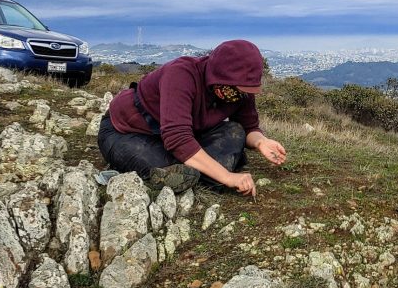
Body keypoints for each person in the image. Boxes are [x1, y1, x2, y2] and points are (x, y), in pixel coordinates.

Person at [98, 39, 286, 195]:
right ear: (220, 77)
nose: (240, 95)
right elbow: (178, 138)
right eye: (236, 89)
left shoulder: (241, 89)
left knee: (234, 132)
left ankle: (196, 171)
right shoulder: (181, 74)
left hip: (186, 134)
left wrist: (261, 141)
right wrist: (227, 177)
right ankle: (207, 173)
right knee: (158, 164)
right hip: (128, 132)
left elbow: (248, 127)